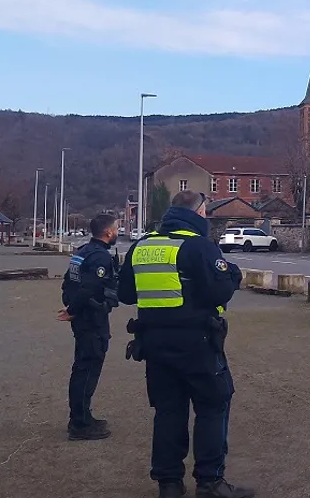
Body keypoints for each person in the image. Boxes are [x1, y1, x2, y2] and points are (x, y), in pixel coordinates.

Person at [118, 191, 254, 498]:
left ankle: (169, 484)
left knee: (168, 411)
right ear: (200, 213)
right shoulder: (198, 247)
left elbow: (125, 293)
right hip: (198, 344)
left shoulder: (141, 246)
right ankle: (210, 482)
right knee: (212, 407)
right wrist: (232, 274)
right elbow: (219, 293)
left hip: (154, 344)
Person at [58, 213, 120, 441]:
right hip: (91, 318)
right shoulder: (99, 257)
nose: (117, 232)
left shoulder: (82, 252)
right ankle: (80, 423)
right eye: (115, 229)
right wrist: (73, 310)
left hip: (83, 317)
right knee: (87, 369)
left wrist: (70, 306)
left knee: (83, 367)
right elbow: (89, 289)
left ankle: (83, 416)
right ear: (108, 232)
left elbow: (68, 282)